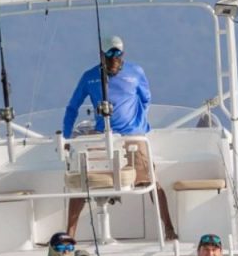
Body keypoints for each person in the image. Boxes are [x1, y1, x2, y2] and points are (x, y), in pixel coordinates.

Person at [62, 34, 176, 241]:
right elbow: (72, 107)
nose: (114, 58)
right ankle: (70, 234)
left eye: (118, 53)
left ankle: (169, 229)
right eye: (110, 54)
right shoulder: (89, 76)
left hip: (133, 136)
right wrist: (67, 139)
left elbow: (146, 99)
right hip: (101, 135)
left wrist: (138, 124)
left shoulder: (136, 71)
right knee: (81, 179)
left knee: (151, 181)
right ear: (101, 54)